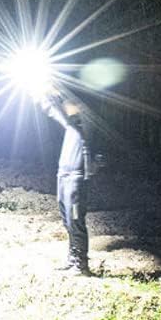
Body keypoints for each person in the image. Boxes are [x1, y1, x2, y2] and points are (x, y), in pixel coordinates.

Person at [36, 89, 92, 275]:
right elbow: (54, 112)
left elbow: (69, 108)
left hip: (76, 177)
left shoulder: (83, 123)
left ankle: (81, 264)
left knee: (75, 219)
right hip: (64, 175)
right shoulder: (71, 125)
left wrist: (58, 93)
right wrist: (41, 95)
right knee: (67, 219)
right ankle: (72, 258)